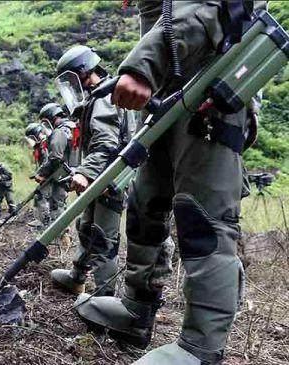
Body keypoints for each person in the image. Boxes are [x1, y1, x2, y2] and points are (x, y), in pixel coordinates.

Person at [75, 2, 266, 363]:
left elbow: (212, 7)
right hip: (170, 89)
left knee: (203, 219)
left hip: (213, 84)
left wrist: (148, 64)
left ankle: (200, 347)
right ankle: (136, 309)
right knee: (145, 204)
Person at [50, 46, 158, 297]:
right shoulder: (98, 97)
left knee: (103, 236)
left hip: (111, 177)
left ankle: (104, 296)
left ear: (83, 73)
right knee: (87, 226)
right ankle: (77, 277)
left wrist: (84, 172)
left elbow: (107, 144)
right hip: (102, 174)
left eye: (71, 80)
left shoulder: (103, 98)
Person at [33, 103, 77, 246]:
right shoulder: (73, 128)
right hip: (73, 171)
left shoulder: (59, 132)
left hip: (62, 173)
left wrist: (42, 173)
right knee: (61, 204)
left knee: (56, 205)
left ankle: (62, 240)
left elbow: (55, 157)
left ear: (51, 118)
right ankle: (62, 237)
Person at [24, 122, 51, 229]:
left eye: (32, 136)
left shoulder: (45, 144)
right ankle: (41, 220)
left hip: (50, 176)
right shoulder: (39, 146)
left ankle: (45, 221)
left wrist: (40, 173)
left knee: (42, 197)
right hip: (45, 175)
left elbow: (47, 162)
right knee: (39, 196)